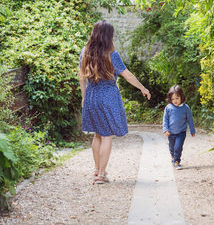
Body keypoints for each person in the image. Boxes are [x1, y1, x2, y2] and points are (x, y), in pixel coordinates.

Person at [79, 20, 151, 184]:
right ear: (108, 36)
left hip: (92, 95)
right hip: (108, 96)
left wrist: (84, 97)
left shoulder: (85, 52)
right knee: (106, 136)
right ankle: (102, 175)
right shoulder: (111, 54)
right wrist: (142, 88)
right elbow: (127, 75)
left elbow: (82, 77)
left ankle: (97, 170)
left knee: (97, 134)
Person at [163, 85, 195, 170]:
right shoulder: (168, 108)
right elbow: (165, 119)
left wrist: (192, 130)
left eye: (177, 98)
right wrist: (165, 129)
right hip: (171, 132)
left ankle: (177, 161)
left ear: (181, 96)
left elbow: (190, 120)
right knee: (172, 147)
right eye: (173, 99)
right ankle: (173, 156)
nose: (175, 101)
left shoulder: (186, 108)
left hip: (181, 132)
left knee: (178, 147)